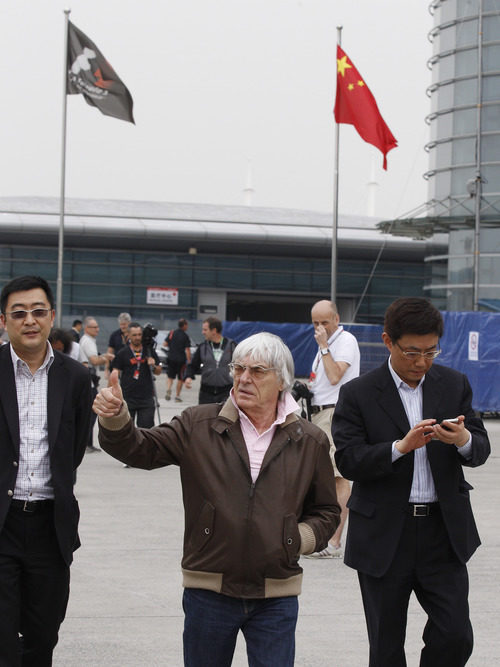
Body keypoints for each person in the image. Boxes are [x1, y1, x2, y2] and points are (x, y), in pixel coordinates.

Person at [94, 332, 340, 667]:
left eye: (257, 371)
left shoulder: (309, 439)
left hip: (276, 594)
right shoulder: (199, 424)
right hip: (208, 589)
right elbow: (139, 449)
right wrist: (115, 417)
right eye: (239, 369)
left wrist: (295, 540)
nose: (244, 379)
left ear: (282, 380)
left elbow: (326, 510)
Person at [332, 297, 490, 667]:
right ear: (388, 342)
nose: (421, 362)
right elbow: (348, 459)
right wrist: (398, 448)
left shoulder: (453, 385)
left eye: (430, 352)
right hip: (386, 532)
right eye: (412, 352)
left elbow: (480, 447)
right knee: (385, 646)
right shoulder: (358, 393)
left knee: (455, 635)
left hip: (442, 531)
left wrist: (461, 440)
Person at [0, 275, 92, 666]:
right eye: (18, 313)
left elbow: (72, 452)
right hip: (1, 524)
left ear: (52, 316)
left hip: (50, 527)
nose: (29, 320)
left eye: (38, 311)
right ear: (3, 321)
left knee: (42, 638)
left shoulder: (75, 377)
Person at [306, 299, 360, 559]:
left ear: (336, 319)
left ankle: (334, 540)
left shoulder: (344, 340)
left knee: (339, 477)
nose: (320, 328)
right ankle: (324, 534)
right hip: (319, 413)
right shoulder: (324, 346)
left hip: (335, 413)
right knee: (324, 476)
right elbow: (323, 379)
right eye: (315, 323)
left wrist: (324, 347)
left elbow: (336, 375)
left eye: (324, 322)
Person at [110, 322, 162, 428]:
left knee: (146, 431)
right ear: (128, 335)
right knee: (126, 430)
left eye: (139, 334)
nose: (137, 337)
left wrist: (154, 365)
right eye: (134, 335)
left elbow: (158, 371)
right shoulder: (122, 353)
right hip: (128, 398)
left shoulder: (149, 351)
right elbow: (115, 373)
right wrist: (111, 394)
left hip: (146, 398)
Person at [79, 316, 114, 452]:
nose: (97, 329)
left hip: (90, 380)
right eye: (94, 327)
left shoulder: (88, 340)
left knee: (92, 412)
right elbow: (94, 360)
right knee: (92, 412)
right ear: (86, 328)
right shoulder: (87, 341)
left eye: (97, 327)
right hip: (88, 381)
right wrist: (106, 358)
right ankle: (86, 443)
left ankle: (88, 443)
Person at [184, 316, 236, 404]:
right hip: (206, 393)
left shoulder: (232, 346)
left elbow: (242, 365)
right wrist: (188, 377)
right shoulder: (202, 347)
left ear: (214, 331)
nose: (203, 332)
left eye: (205, 330)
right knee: (204, 417)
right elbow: (193, 365)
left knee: (224, 417)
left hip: (226, 392)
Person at [164, 318, 191, 402]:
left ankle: (168, 389)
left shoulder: (172, 333)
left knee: (170, 377)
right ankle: (177, 396)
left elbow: (165, 344)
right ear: (184, 325)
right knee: (180, 378)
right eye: (187, 325)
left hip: (171, 357)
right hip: (181, 360)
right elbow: (187, 350)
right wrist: (189, 360)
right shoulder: (185, 336)